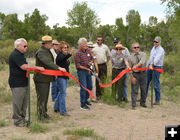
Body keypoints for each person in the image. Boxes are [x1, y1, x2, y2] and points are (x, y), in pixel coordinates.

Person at [8, 38, 44, 127]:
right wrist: (38, 68)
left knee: (24, 103)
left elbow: (26, 67)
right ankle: (17, 121)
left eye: (27, 46)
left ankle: (22, 119)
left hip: (23, 82)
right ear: (18, 46)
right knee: (18, 102)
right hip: (17, 83)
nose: (26, 47)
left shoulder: (20, 54)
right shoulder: (15, 54)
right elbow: (24, 67)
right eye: (24, 46)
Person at [33, 35, 66, 123]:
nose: (52, 44)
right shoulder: (41, 52)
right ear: (46, 43)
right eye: (51, 43)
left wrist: (54, 74)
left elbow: (49, 64)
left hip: (46, 78)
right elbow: (48, 62)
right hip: (41, 79)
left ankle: (44, 113)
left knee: (46, 97)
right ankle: (41, 116)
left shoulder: (47, 51)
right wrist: (58, 68)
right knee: (42, 98)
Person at [54, 41, 75, 116]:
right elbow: (62, 59)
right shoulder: (60, 55)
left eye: (67, 47)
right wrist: (70, 53)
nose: (66, 49)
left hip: (65, 76)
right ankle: (63, 111)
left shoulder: (64, 55)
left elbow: (65, 60)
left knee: (61, 92)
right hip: (60, 77)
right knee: (63, 93)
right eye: (64, 48)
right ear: (61, 48)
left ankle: (56, 107)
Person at [74, 38, 93, 110]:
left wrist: (91, 62)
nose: (86, 45)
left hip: (88, 70)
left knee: (90, 86)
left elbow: (92, 58)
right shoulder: (77, 53)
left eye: (86, 43)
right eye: (84, 43)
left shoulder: (88, 50)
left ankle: (86, 99)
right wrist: (86, 68)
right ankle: (82, 104)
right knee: (84, 88)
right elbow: (78, 66)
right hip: (82, 72)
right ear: (80, 45)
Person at [146, 36, 165, 105]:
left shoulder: (161, 50)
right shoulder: (153, 48)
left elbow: (157, 59)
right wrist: (148, 65)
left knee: (156, 84)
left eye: (157, 42)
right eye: (154, 41)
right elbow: (151, 57)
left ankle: (157, 100)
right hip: (150, 66)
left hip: (157, 67)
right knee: (146, 82)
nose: (155, 43)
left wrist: (152, 64)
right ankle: (143, 97)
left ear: (159, 42)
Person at [111, 37, 130, 102]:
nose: (118, 50)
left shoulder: (124, 53)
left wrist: (128, 66)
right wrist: (111, 70)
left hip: (122, 70)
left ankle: (121, 98)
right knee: (114, 84)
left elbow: (126, 61)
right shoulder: (113, 53)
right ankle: (113, 98)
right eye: (117, 49)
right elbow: (111, 62)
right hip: (114, 70)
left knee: (121, 85)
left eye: (120, 49)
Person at [129, 42, 147, 109]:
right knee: (134, 89)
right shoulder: (130, 57)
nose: (136, 48)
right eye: (135, 47)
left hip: (143, 74)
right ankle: (133, 104)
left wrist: (135, 66)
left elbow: (142, 62)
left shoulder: (143, 54)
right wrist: (132, 77)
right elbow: (129, 68)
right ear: (132, 49)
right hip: (135, 74)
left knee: (143, 89)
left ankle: (143, 103)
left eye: (138, 47)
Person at [92, 36, 111, 100]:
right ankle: (98, 95)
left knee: (103, 79)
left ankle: (103, 93)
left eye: (100, 40)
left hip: (103, 65)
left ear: (102, 40)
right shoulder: (93, 47)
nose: (99, 41)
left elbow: (108, 55)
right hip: (96, 65)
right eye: (98, 40)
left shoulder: (105, 47)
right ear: (96, 40)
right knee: (97, 80)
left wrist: (106, 62)